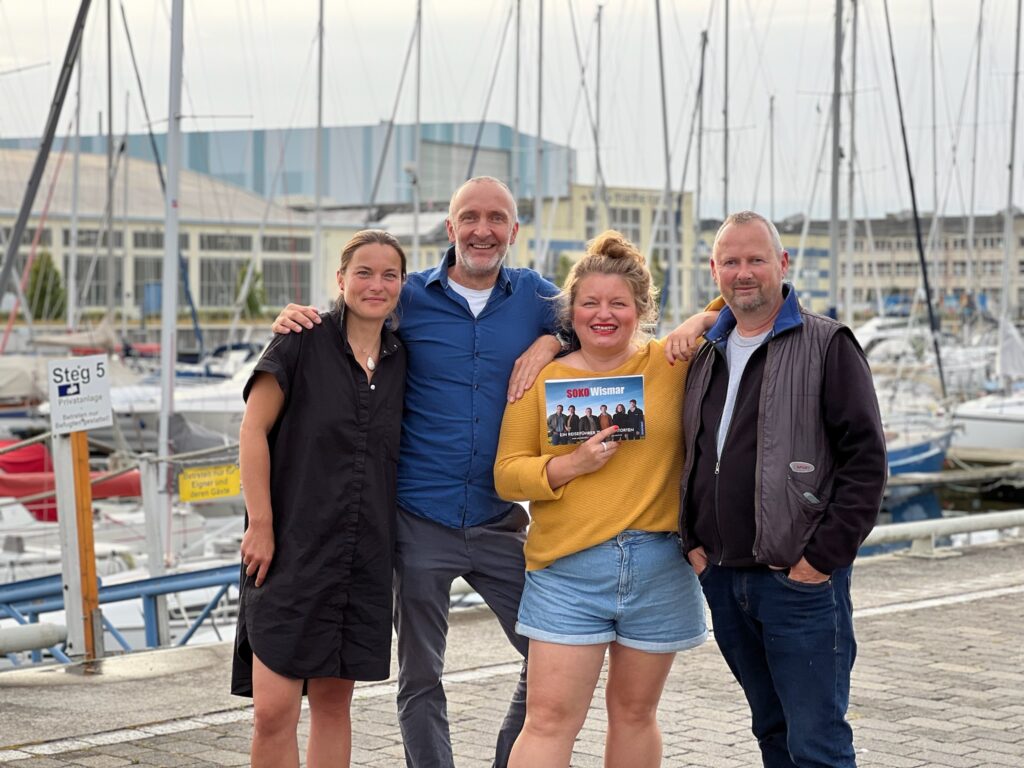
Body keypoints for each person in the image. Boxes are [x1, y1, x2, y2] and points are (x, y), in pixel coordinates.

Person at [272, 178, 704, 767]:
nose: (483, 229)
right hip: (419, 518)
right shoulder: (410, 296)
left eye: (497, 218)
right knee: (420, 675)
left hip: (503, 522)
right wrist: (303, 317)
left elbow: (597, 316)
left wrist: (551, 339)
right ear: (450, 229)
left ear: (514, 231)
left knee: (547, 658)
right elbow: (358, 308)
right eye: (470, 217)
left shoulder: (537, 298)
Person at [494, 230, 718, 768]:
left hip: (661, 566)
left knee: (636, 714)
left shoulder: (671, 363)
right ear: (570, 312)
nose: (604, 314)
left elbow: (741, 297)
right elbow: (506, 475)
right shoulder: (543, 378)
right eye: (590, 302)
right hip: (569, 570)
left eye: (618, 303)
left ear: (641, 309)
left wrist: (698, 322)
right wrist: (569, 465)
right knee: (548, 721)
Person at [679, 211, 887, 768]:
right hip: (723, 578)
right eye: (730, 262)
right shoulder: (706, 353)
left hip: (798, 584)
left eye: (755, 260)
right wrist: (693, 545)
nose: (743, 273)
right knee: (771, 731)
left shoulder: (827, 344)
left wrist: (820, 560)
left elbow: (866, 463)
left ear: (782, 264)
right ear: (714, 270)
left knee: (816, 744)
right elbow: (693, 454)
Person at [232, 230, 408, 768]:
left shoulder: (403, 357)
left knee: (334, 704)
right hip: (288, 552)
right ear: (340, 279)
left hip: (363, 557)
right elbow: (252, 431)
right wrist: (260, 524)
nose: (376, 285)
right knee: (274, 711)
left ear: (402, 285)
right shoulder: (300, 340)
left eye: (389, 275)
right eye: (364, 272)